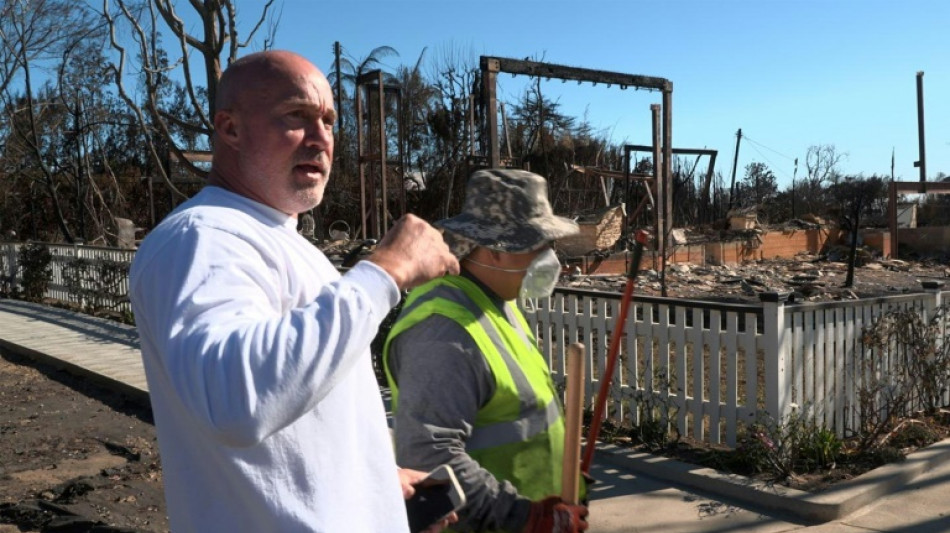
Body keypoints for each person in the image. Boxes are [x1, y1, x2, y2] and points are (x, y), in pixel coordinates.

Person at [129, 50, 459, 532]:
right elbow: (235, 401)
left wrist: (374, 485)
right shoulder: (201, 238)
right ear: (230, 129)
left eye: (329, 121)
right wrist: (386, 271)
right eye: (296, 116)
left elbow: (299, 413)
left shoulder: (278, 240)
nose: (321, 137)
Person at [383, 169, 591, 532]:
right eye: (537, 244)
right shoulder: (444, 333)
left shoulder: (496, 301)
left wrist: (559, 467)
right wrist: (527, 518)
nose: (549, 257)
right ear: (496, 248)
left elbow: (518, 414)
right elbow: (430, 458)